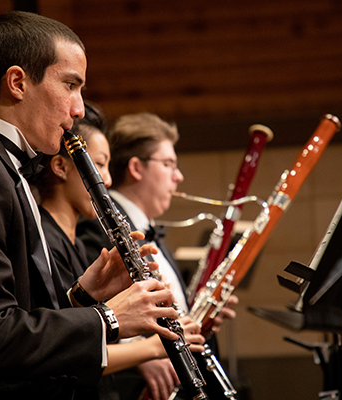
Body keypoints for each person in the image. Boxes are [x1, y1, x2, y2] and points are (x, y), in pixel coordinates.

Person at [0, 11, 179, 400]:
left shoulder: (6, 169)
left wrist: (83, 295)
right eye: (70, 85)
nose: (79, 109)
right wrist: (110, 318)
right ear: (17, 83)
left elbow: (17, 318)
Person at [31, 102, 206, 400]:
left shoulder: (70, 241)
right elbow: (53, 344)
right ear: (60, 167)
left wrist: (86, 296)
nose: (107, 181)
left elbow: (68, 323)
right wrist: (149, 349)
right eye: (98, 165)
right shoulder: (47, 240)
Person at [77, 112, 238, 400]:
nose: (179, 176)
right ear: (137, 168)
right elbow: (94, 316)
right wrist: (144, 357)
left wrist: (202, 318)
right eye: (168, 164)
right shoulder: (99, 228)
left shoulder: (151, 233)